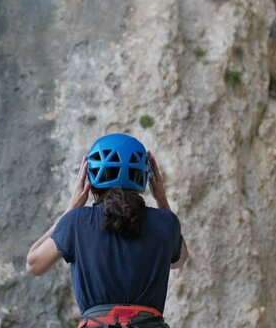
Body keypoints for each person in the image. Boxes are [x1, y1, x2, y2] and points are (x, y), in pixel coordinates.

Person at [26, 133, 189, 327]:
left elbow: (34, 264)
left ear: (90, 179)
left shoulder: (76, 222)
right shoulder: (165, 223)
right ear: (145, 176)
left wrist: (69, 211)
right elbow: (180, 259)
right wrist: (162, 200)